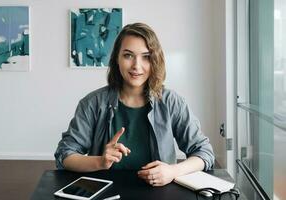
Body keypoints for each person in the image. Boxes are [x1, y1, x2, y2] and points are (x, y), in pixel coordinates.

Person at [54, 22, 215, 186]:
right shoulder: (92, 103)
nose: (136, 66)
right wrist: (100, 161)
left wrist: (173, 171)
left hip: (159, 193)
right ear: (117, 58)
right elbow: (65, 154)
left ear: (155, 61)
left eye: (146, 57)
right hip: (104, 193)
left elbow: (204, 152)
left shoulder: (172, 102)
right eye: (128, 55)